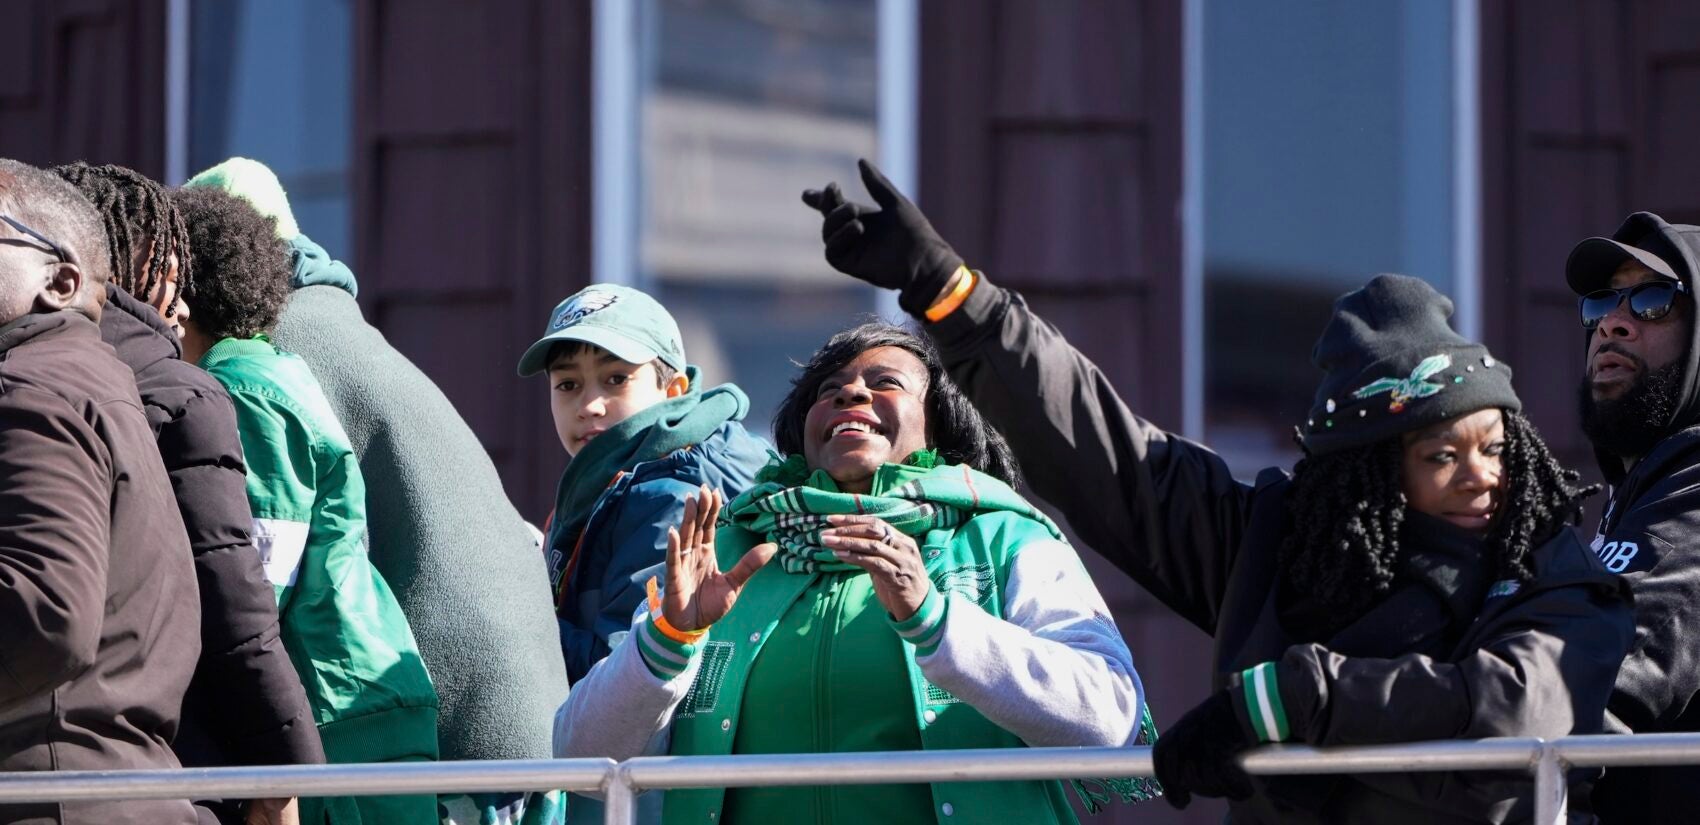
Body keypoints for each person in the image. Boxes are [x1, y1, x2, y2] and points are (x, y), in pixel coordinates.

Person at [801, 162, 1635, 822]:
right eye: (1442, 453)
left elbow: (1522, 704)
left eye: (1494, 446)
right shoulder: (1281, 543)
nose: (1484, 474)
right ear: (1372, 472)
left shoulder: (1550, 566)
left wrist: (1282, 701)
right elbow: (1113, 457)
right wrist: (953, 294)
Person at [556, 322, 1155, 825]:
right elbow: (581, 757)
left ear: (937, 421)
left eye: (884, 383)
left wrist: (934, 620)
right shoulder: (725, 550)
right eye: (831, 390)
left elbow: (1108, 720)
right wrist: (665, 642)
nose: (851, 397)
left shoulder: (1003, 535)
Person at [184, 158, 570, 825]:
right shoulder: (344, 327)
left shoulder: (273, 349)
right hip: (525, 685)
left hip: (451, 709)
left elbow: (265, 564)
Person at [54, 161, 324, 825]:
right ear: (150, 264)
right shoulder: (182, 393)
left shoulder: (31, 380)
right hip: (160, 765)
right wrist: (289, 771)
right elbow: (237, 599)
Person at [171, 183, 439, 825]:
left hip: (338, 708)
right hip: (349, 698)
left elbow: (259, 574)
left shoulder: (246, 389)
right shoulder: (267, 370)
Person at [0, 158, 200, 825]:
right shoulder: (98, 383)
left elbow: (46, 611)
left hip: (49, 796)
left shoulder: (30, 390)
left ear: (60, 280)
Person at [1564, 212, 1700, 820]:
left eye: (1650, 301)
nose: (1611, 324)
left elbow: (1606, 682)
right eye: (1600, 305)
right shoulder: (1641, 487)